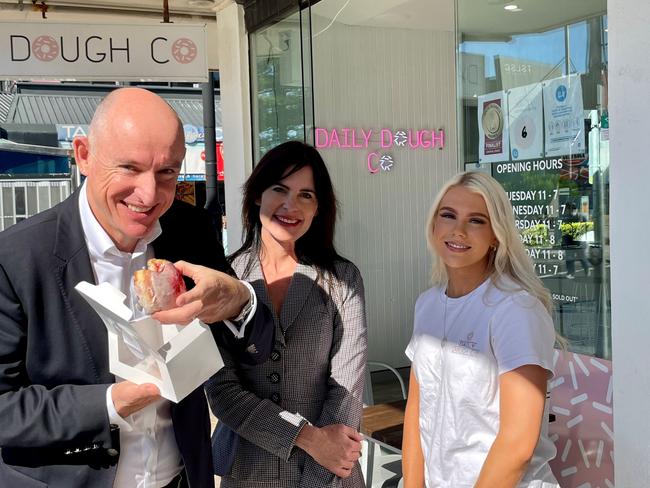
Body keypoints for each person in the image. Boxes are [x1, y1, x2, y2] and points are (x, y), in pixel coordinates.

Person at [0, 87, 273, 488]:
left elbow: (252, 348)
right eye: (129, 167)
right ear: (84, 155)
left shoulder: (190, 231)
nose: (149, 195)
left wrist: (239, 302)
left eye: (167, 172)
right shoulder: (18, 257)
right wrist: (111, 403)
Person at [205, 141, 368, 487]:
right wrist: (307, 439)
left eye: (306, 195)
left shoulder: (342, 280)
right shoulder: (225, 279)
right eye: (279, 189)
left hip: (327, 473)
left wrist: (321, 467)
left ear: (318, 207)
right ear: (256, 195)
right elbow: (221, 390)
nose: (291, 205)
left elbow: (347, 389)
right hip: (248, 466)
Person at [402, 171, 560, 488]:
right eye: (448, 215)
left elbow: (517, 445)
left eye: (476, 221)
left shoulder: (515, 309)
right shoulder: (427, 305)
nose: (458, 230)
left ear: (496, 236)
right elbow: (417, 411)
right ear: (433, 225)